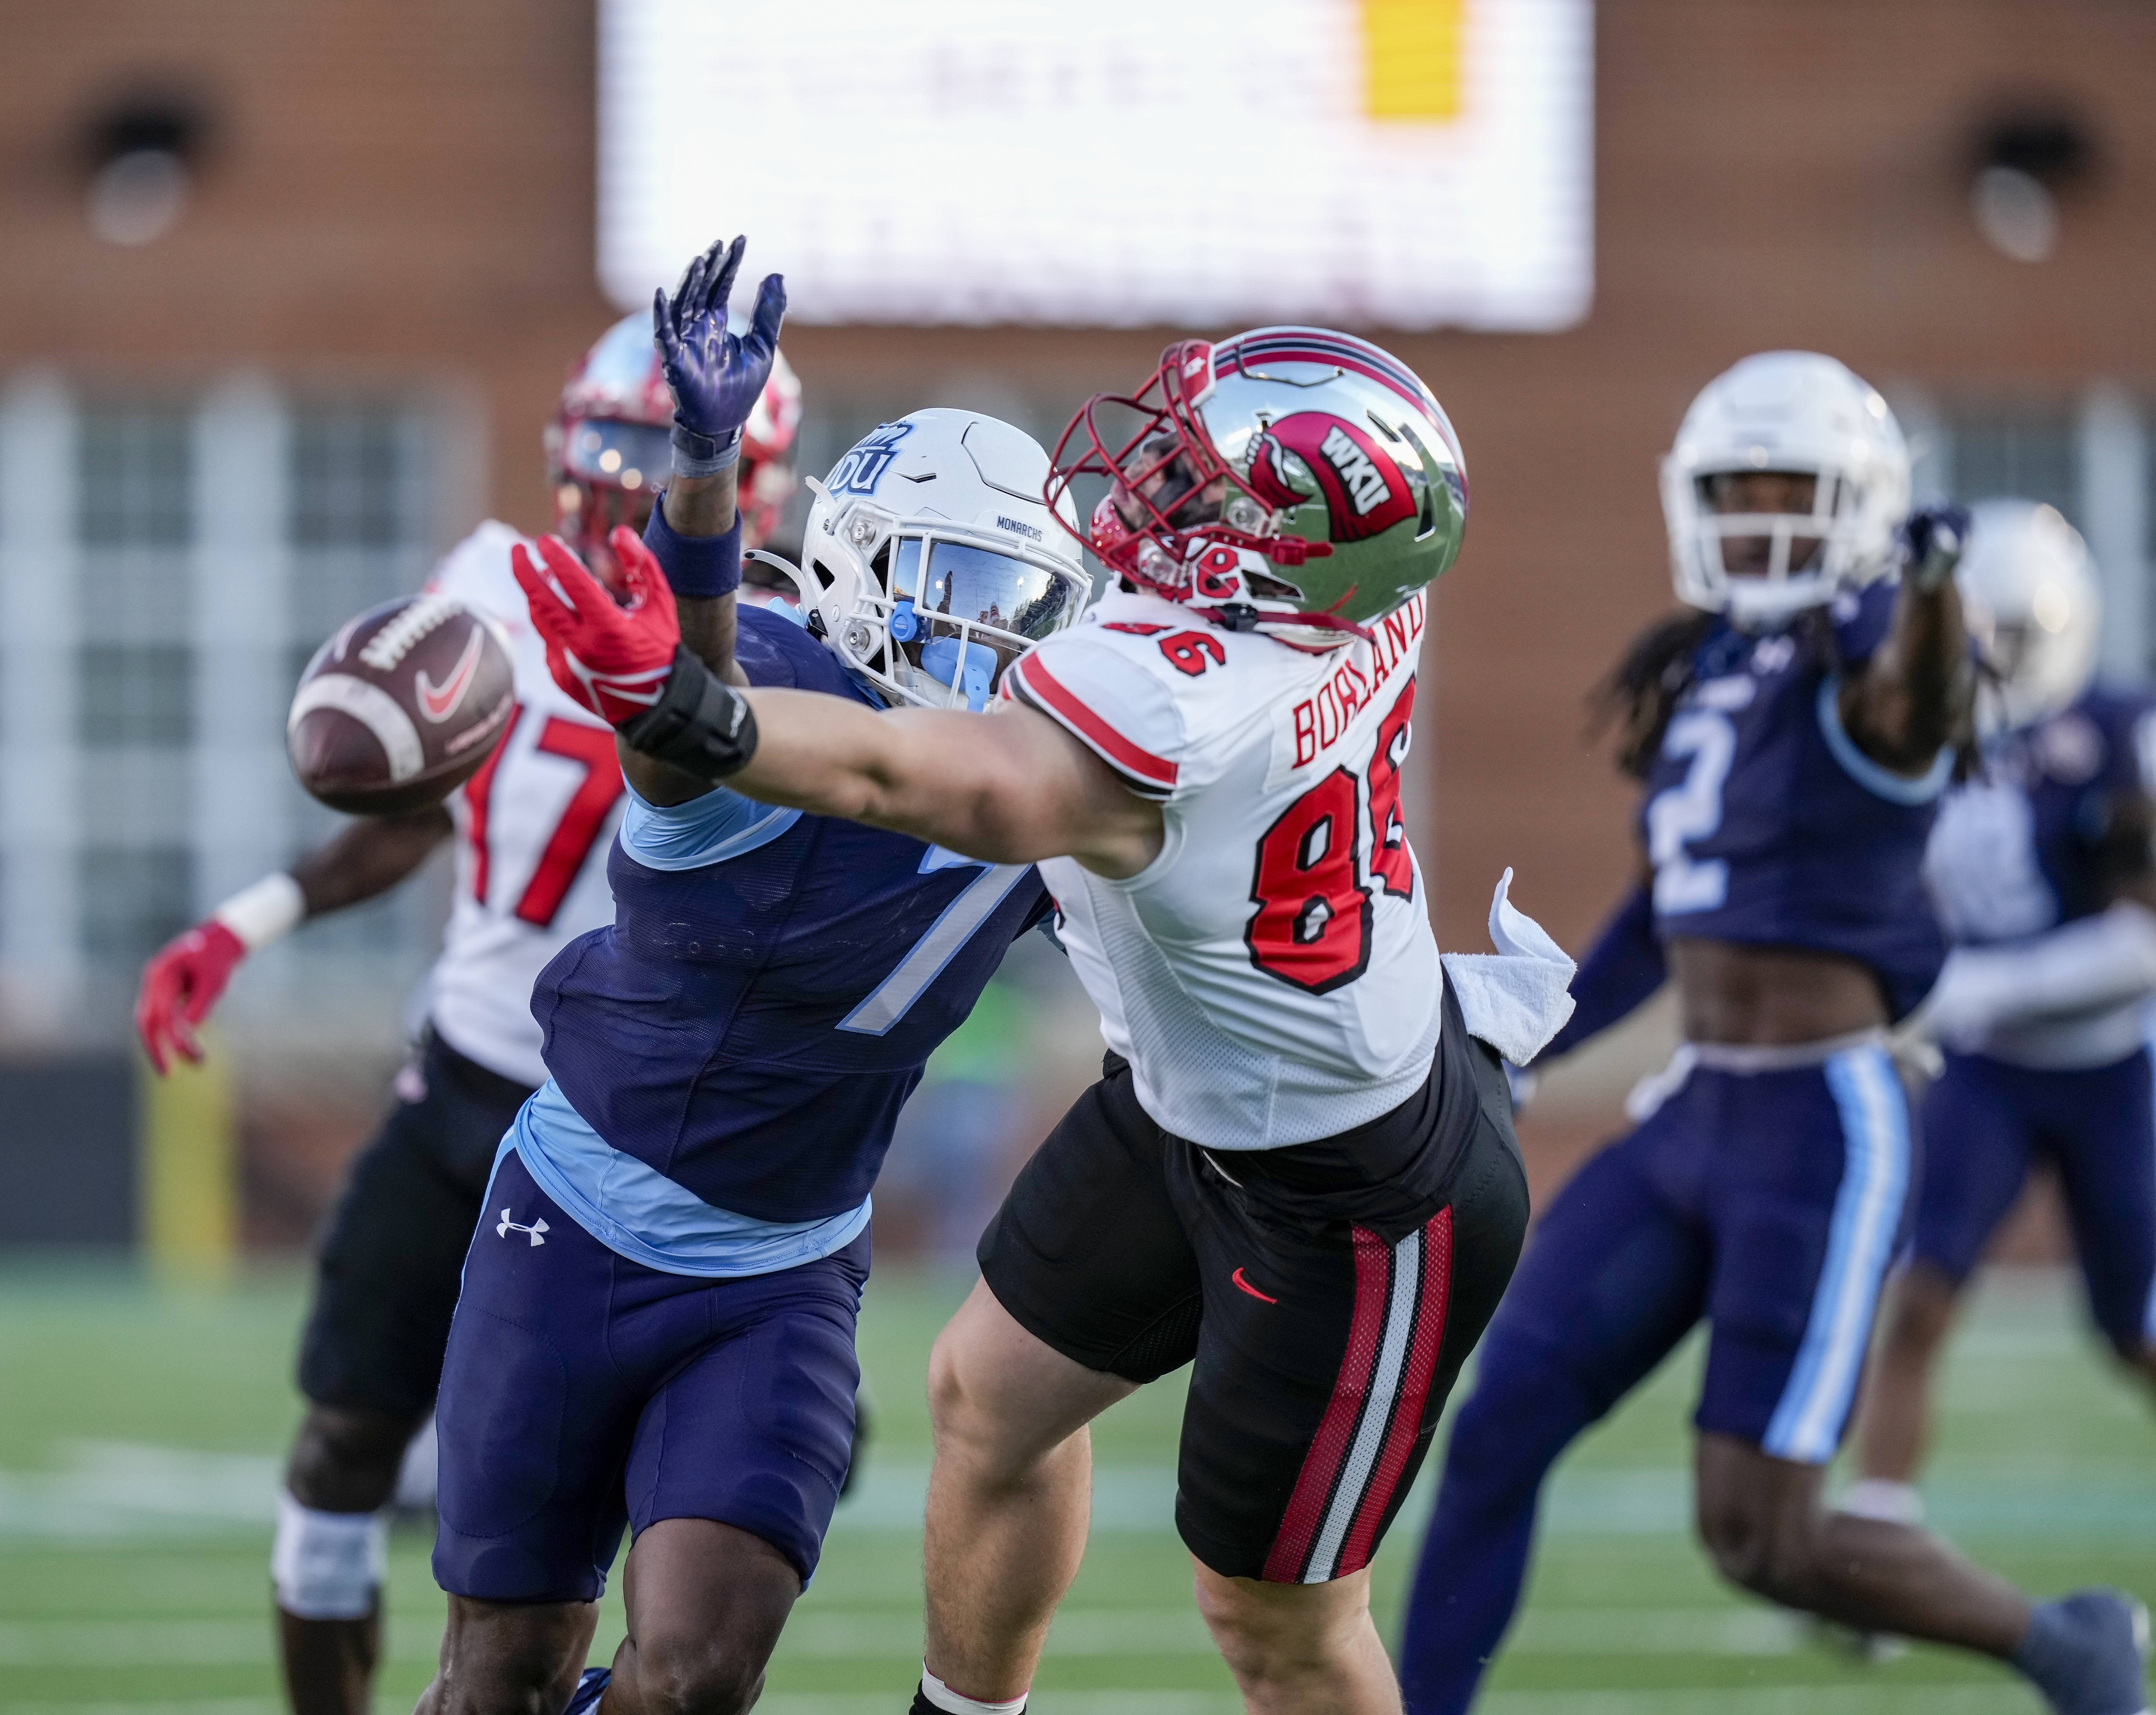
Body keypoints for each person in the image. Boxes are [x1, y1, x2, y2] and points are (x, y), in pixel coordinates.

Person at [544, 308, 1568, 1714]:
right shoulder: (1369, 595)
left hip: (1357, 1196)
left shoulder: (1184, 709)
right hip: (1188, 1108)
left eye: (1212, 488)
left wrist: (705, 718)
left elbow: (934, 780)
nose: (1163, 484)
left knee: (1275, 1622)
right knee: (989, 1402)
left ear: (1295, 551)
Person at [1397, 355, 2150, 1715]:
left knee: (1764, 1537)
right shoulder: (1715, 668)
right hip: (1694, 1112)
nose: (1759, 526)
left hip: (1819, 1125)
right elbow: (1665, 913)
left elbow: (1915, 713)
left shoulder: (1881, 645)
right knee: (1498, 1421)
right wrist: (1516, 1045)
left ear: (1861, 509)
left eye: (1789, 496)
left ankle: (2066, 1647)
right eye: (1734, 497)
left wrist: (1924, 595)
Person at [420, 237, 1095, 1715]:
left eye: (1013, 593)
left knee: (703, 1675)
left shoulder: (1043, 780)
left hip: (779, 1270)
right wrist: (705, 474)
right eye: (946, 580)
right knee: (497, 1679)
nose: (979, 629)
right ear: (855, 563)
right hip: (577, 1220)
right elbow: (682, 699)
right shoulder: (771, 689)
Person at [131, 308, 799, 1715]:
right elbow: (412, 812)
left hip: (631, 1129)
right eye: (605, 438)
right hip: (469, 1082)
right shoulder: (495, 582)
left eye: (651, 443)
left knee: (569, 1564)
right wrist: (244, 922)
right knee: (336, 1456)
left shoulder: (778, 643)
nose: (618, 471)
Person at [1848, 501, 2156, 1536]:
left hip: (2109, 1065)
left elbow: (2144, 943)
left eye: (2003, 636)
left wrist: (1981, 987)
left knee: (2135, 1328)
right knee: (1923, 1295)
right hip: (1988, 1069)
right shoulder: (1914, 737)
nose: (1981, 659)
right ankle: (1878, 1530)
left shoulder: (2114, 736)